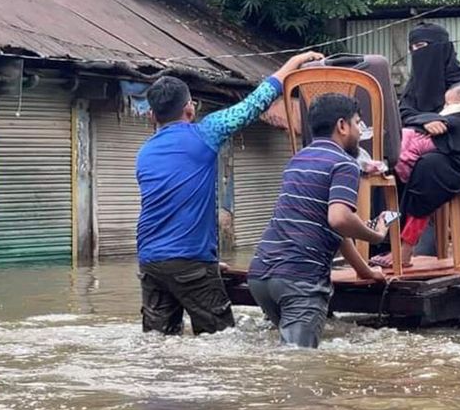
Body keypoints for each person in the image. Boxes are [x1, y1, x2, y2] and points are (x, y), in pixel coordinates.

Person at [135, 51, 322, 336]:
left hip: (150, 262)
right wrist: (295, 63)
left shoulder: (144, 153)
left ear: (151, 115)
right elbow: (255, 103)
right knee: (219, 340)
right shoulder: (205, 133)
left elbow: (170, 207)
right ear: (190, 109)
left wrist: (207, 261)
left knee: (158, 342)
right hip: (191, 262)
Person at [248, 93, 388, 348]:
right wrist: (376, 235)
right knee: (299, 363)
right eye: (358, 123)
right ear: (342, 125)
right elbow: (339, 219)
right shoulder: (345, 164)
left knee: (287, 354)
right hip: (300, 278)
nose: (360, 131)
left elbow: (335, 232)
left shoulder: (297, 160)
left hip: (261, 275)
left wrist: (366, 272)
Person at [373, 23, 460, 268]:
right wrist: (426, 120)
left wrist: (446, 124)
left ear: (442, 48)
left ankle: (406, 248)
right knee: (385, 165)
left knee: (428, 166)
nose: (417, 53)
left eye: (422, 47)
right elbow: (403, 113)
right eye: (413, 49)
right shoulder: (415, 84)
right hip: (419, 148)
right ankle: (383, 242)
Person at [394, 82, 460, 183]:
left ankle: (403, 171)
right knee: (407, 136)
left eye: (447, 104)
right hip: (431, 137)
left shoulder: (457, 110)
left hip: (436, 140)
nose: (445, 107)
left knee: (409, 143)